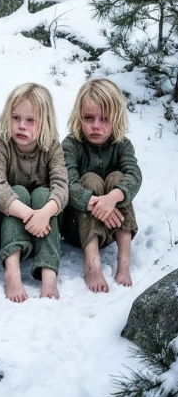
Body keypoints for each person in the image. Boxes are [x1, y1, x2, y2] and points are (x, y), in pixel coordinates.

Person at [61, 78, 142, 292]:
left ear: (116, 118)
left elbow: (134, 174)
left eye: (104, 119)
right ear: (79, 115)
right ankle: (92, 263)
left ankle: (124, 262)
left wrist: (112, 198)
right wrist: (95, 203)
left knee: (119, 178)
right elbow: (67, 181)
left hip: (112, 227)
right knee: (89, 180)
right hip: (76, 228)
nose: (96, 125)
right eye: (89, 118)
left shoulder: (121, 145)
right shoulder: (71, 145)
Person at [0, 83, 68, 302]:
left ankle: (49, 274)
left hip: (45, 227)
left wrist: (43, 214)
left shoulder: (52, 147)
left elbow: (62, 187)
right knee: (18, 191)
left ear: (45, 122)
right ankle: (12, 271)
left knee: (45, 195)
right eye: (16, 118)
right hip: (7, 228)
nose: (21, 126)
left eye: (30, 120)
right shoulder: (0, 145)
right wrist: (29, 215)